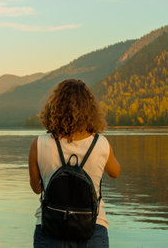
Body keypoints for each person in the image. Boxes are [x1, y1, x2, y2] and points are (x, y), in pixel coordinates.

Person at [28, 79, 120, 248]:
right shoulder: (100, 144)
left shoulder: (38, 144)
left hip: (50, 226)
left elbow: (37, 189)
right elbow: (115, 172)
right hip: (92, 227)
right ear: (90, 111)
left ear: (54, 108)